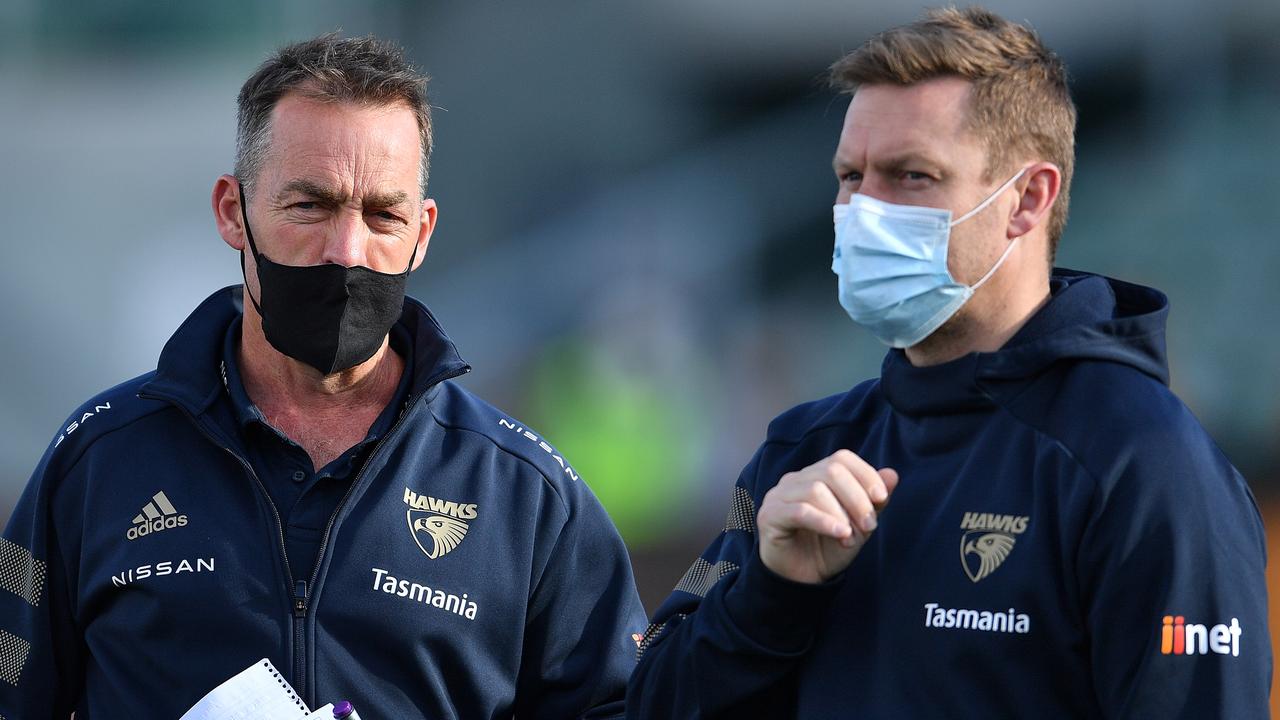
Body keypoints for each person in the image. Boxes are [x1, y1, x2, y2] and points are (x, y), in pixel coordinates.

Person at [627, 7, 1270, 718]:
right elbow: (650, 704)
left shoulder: (1143, 465)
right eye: (850, 176)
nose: (863, 209)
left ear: (1027, 199)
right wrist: (771, 595)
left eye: (910, 176)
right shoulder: (800, 450)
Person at [0, 34, 645, 719]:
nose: (345, 251)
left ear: (422, 233)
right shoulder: (94, 461)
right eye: (310, 206)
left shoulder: (527, 494)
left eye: (382, 214)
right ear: (233, 211)